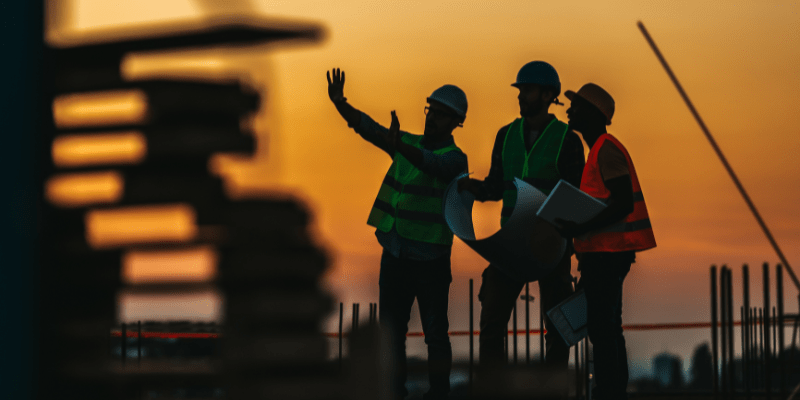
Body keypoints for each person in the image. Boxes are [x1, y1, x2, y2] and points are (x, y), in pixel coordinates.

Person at [326, 68, 469, 400]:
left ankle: (439, 394)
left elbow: (432, 165)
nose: (432, 118)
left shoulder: (454, 158)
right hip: (395, 253)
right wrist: (340, 104)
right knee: (391, 335)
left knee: (435, 335)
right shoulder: (405, 143)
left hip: (430, 259)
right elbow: (369, 129)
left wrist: (399, 147)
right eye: (430, 110)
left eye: (441, 115)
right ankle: (393, 392)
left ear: (455, 123)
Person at [457, 61, 584, 372]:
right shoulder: (506, 135)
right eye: (521, 90)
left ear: (546, 95)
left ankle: (552, 392)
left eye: (527, 90)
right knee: (491, 324)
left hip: (551, 245)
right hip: (511, 244)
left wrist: (574, 250)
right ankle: (494, 391)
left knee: (557, 328)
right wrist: (476, 189)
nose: (521, 96)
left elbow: (576, 199)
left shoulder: (566, 139)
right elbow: (498, 185)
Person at [555, 83, 657, 400]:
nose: (570, 110)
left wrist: (578, 225)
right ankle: (612, 390)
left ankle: (609, 391)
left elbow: (622, 202)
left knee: (603, 328)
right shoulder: (597, 151)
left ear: (594, 114)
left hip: (609, 255)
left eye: (577, 106)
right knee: (607, 327)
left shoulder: (606, 149)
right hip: (603, 254)